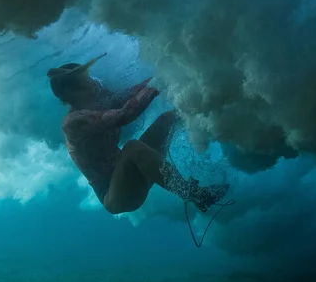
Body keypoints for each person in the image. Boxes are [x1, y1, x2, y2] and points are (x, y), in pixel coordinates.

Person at [47, 53, 230, 215]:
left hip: (133, 173)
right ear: (73, 91)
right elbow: (126, 113)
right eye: (86, 79)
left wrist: (168, 76)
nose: (93, 80)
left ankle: (219, 108)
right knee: (132, 147)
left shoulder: (97, 102)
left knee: (169, 118)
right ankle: (195, 195)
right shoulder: (73, 122)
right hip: (116, 195)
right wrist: (158, 84)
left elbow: (129, 94)